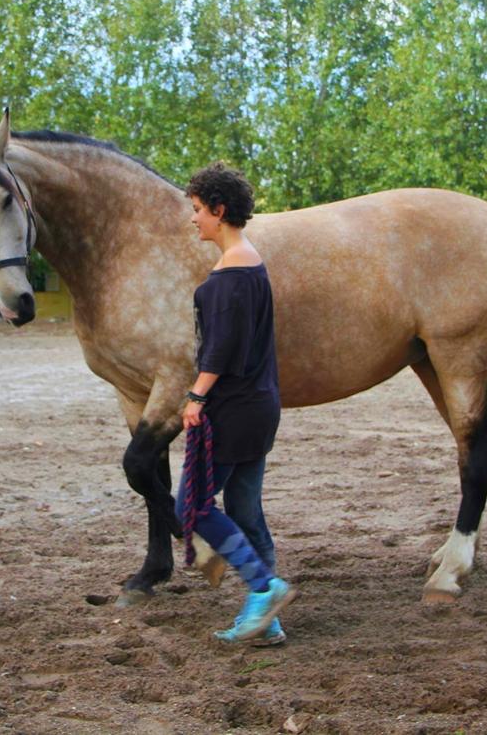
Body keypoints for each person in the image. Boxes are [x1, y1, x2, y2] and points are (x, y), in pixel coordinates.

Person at [176, 161, 295, 645]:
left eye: (198, 209)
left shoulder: (229, 276)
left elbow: (221, 349)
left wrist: (195, 396)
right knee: (246, 510)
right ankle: (267, 621)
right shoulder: (253, 262)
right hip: (260, 405)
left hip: (233, 409)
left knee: (191, 505)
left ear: (219, 210)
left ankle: (265, 587)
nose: (194, 218)